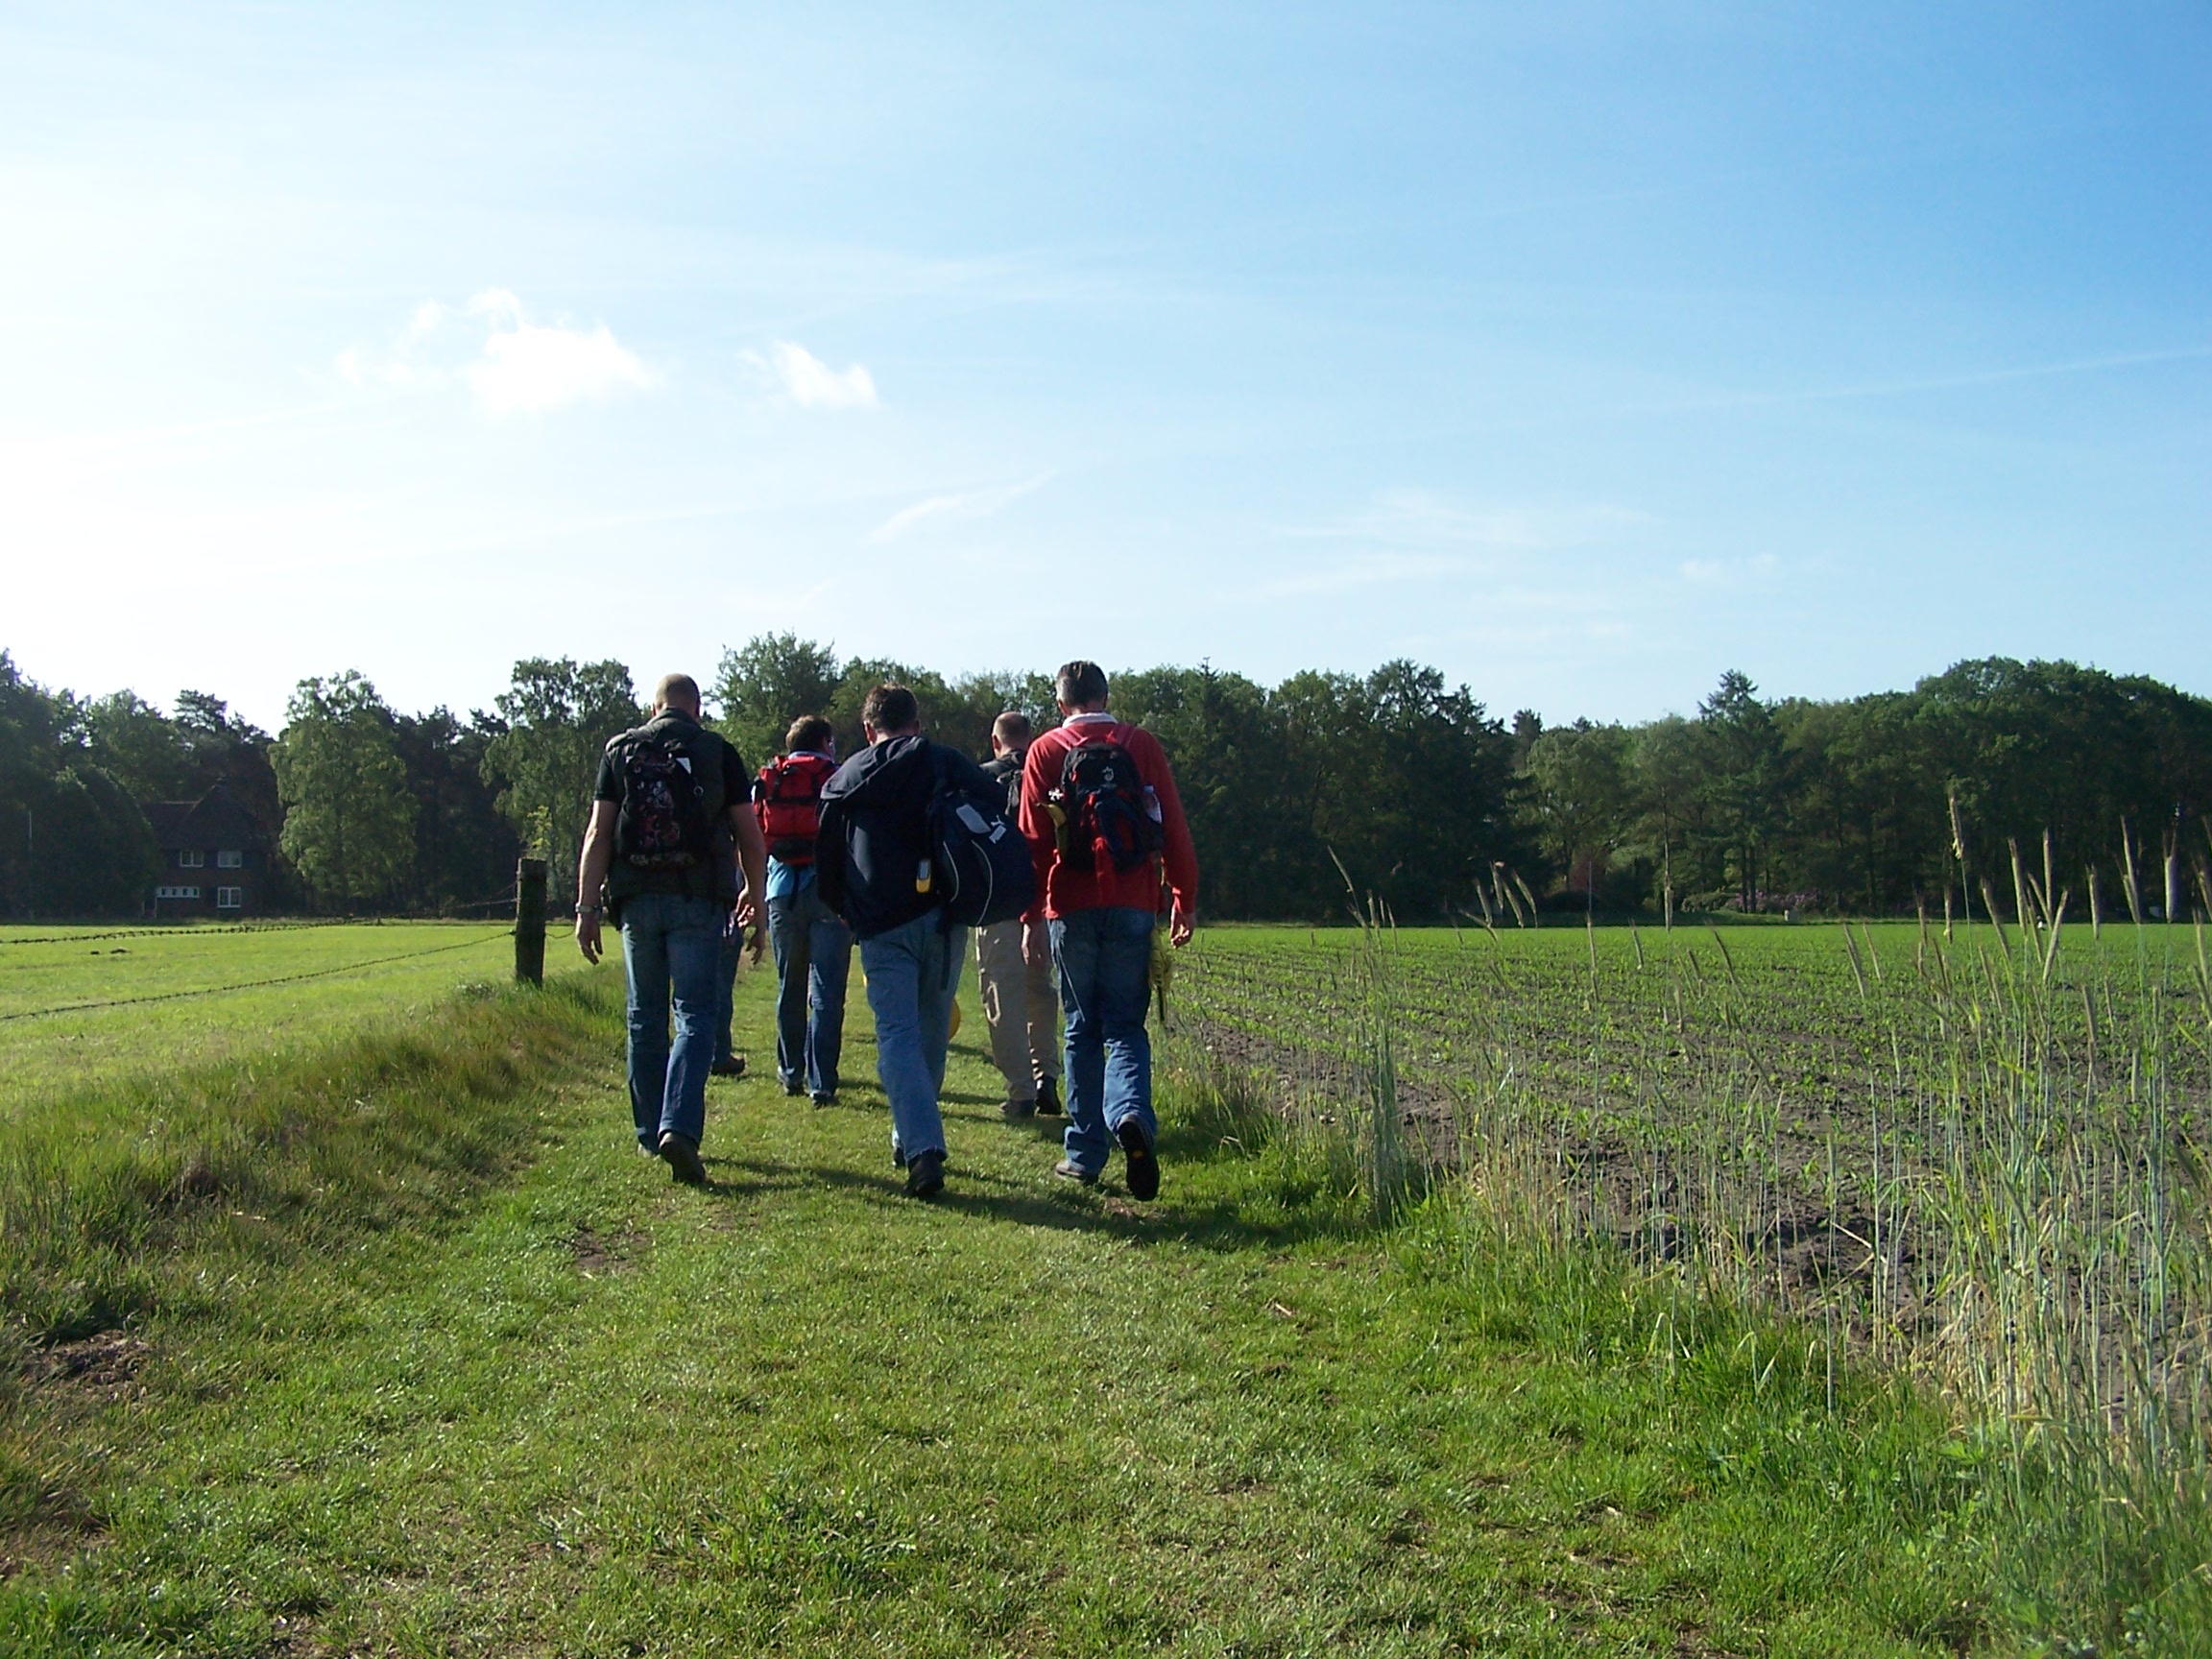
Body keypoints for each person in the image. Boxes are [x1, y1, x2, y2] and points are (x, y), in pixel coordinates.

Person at [575, 673, 767, 1186]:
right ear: (696, 709)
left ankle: (647, 1133)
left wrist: (586, 907)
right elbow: (750, 836)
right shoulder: (717, 751)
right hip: (697, 900)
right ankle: (678, 1126)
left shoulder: (620, 751)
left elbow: (598, 834)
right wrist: (756, 897)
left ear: (653, 708)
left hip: (637, 902)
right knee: (695, 1014)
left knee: (644, 1015)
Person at [1018, 661, 1197, 1200]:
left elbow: (1032, 843)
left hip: (1069, 905)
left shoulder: (1045, 751)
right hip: (1133, 900)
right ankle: (1131, 1115)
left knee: (1081, 1028)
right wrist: (1184, 899)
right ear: (1106, 695)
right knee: (1124, 1025)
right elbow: (1173, 825)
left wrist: (1030, 917)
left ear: (1061, 703)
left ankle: (1085, 1153)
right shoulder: (1140, 744)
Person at [814, 684, 998, 1198]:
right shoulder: (943, 761)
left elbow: (825, 856)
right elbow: (994, 806)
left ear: (868, 729)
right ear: (916, 724)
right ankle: (916, 1140)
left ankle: (918, 1145)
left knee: (896, 1034)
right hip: (943, 914)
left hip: (880, 923)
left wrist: (845, 909)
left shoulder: (846, 777)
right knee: (932, 1033)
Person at [751, 715, 852, 1105]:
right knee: (827, 990)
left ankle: (790, 1070)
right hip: (829, 892)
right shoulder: (837, 777)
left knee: (789, 985)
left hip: (781, 891)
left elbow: (755, 837)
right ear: (825, 742)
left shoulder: (771, 779)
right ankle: (821, 1081)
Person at [975, 711, 1062, 1120]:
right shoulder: (1047, 774)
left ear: (996, 742)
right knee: (1040, 992)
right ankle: (1047, 1077)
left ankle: (1021, 1090)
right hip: (1044, 903)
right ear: (1030, 737)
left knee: (1001, 998)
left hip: (997, 903)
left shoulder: (979, 780)